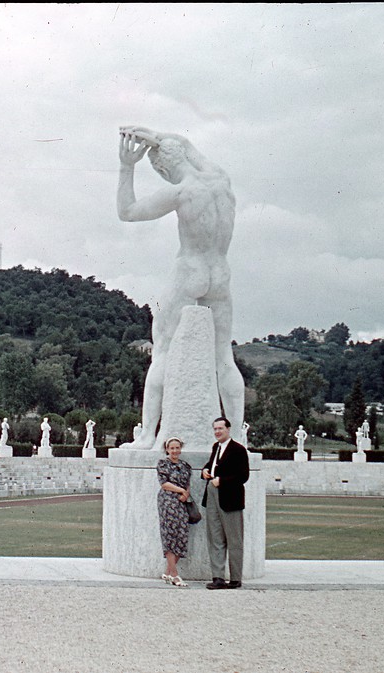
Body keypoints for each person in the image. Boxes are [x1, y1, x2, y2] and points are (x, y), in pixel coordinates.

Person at [117, 127, 245, 450]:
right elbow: (187, 146)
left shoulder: (181, 192)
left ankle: (147, 435)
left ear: (161, 170)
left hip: (190, 270)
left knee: (161, 350)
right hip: (220, 274)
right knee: (224, 359)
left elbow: (127, 212)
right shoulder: (220, 179)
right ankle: (239, 438)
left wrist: (127, 165)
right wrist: (160, 137)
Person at [201, 417, 249, 589]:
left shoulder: (238, 450)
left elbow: (243, 476)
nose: (217, 432)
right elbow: (213, 466)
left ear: (228, 429)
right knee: (215, 537)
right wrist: (205, 471)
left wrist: (223, 481)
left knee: (234, 539)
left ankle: (235, 578)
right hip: (212, 493)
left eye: (220, 428)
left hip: (230, 497)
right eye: (215, 429)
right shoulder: (216, 447)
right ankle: (218, 577)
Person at [157, 437, 192, 587]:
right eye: (172, 448)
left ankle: (168, 571)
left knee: (182, 535)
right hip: (168, 501)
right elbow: (164, 483)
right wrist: (181, 490)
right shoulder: (163, 464)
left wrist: (186, 493)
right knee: (170, 535)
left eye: (177, 448)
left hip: (182, 502)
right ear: (167, 449)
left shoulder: (185, 466)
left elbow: (188, 483)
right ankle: (174, 574)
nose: (175, 451)